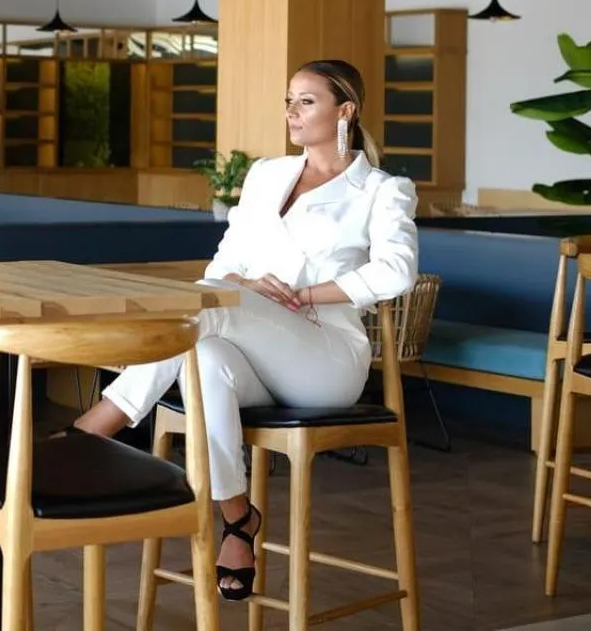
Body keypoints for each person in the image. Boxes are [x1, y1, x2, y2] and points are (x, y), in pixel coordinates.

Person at [72, 59, 418, 600]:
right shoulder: (265, 175)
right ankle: (238, 519)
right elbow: (220, 268)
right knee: (205, 354)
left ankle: (92, 433)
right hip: (256, 345)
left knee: (207, 309)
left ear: (345, 110)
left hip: (325, 357)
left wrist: (301, 295)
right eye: (288, 100)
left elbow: (396, 272)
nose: (291, 112)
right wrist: (243, 282)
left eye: (306, 101)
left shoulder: (380, 189)